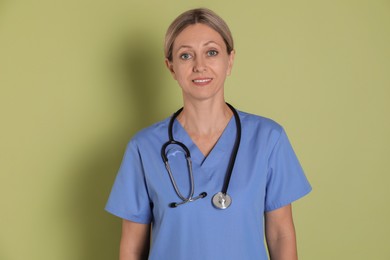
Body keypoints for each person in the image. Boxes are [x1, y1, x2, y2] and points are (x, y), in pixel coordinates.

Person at [105, 8, 311, 260]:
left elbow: (281, 234)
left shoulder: (268, 138)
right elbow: (131, 247)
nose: (199, 66)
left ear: (230, 60)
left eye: (211, 52)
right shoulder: (144, 148)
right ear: (171, 67)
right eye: (186, 56)